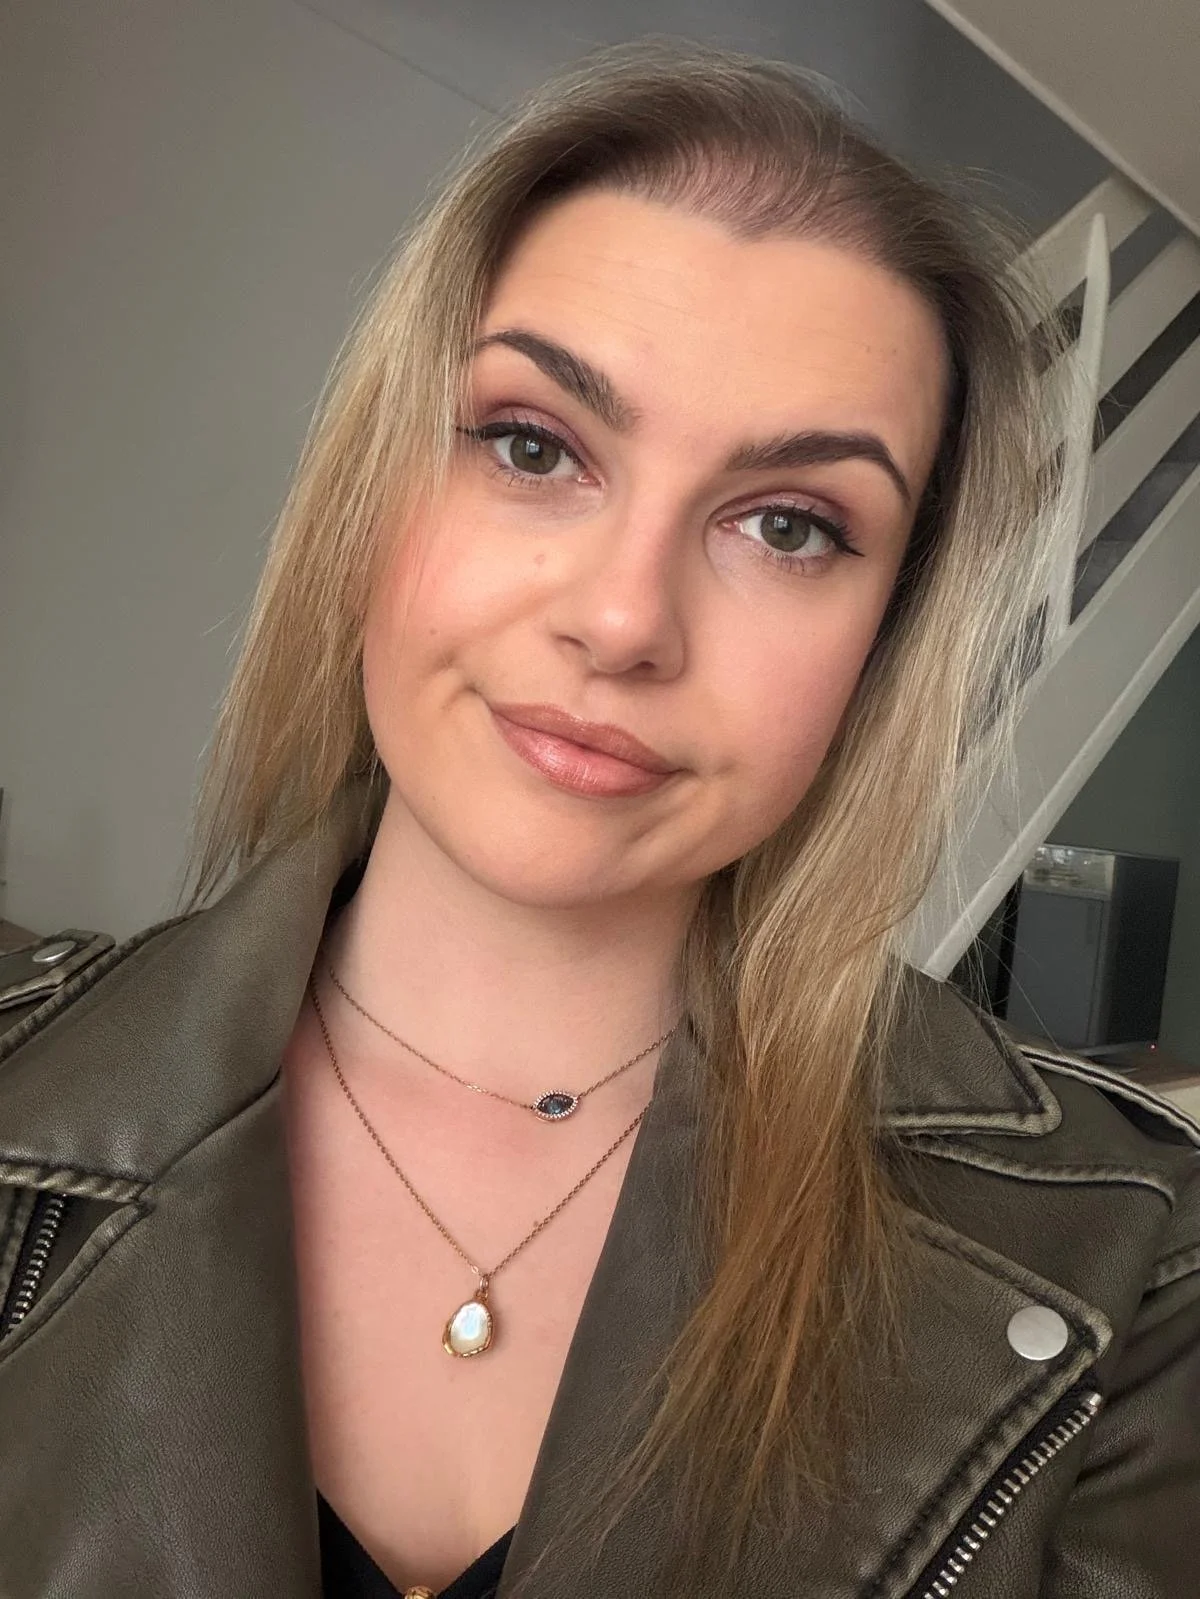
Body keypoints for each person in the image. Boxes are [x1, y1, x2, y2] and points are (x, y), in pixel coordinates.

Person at [1, 37, 1197, 1599]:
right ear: (375, 488)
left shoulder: (1129, 1283)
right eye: (532, 443)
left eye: (789, 525)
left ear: (887, 641)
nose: (624, 619)